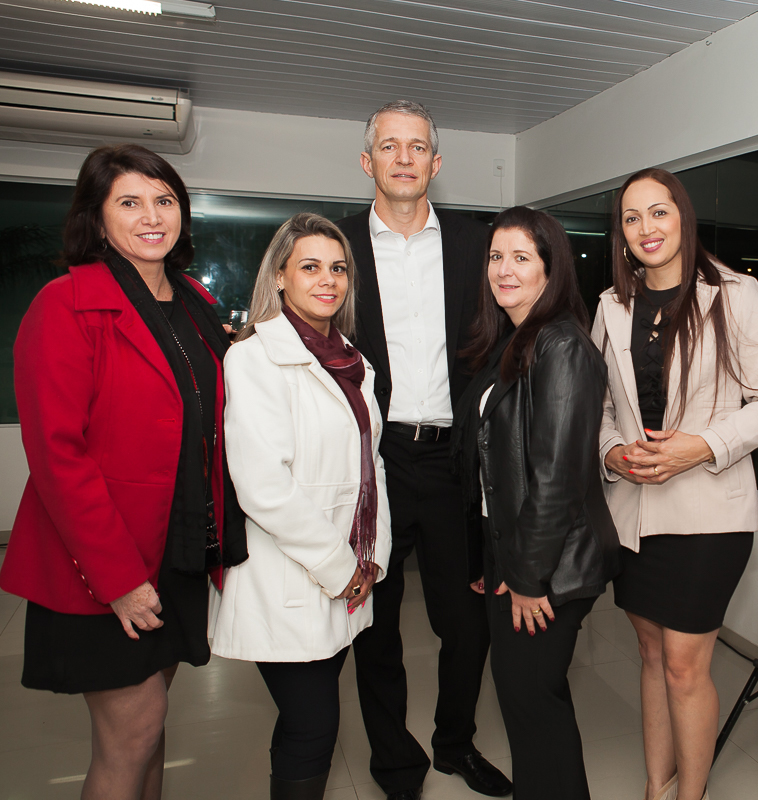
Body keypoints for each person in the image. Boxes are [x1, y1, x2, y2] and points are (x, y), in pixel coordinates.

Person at [0, 144, 247, 800]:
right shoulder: (64, 305)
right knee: (131, 735)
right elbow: (57, 456)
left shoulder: (195, 302)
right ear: (96, 217)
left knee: (153, 727)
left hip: (178, 549)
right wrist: (117, 581)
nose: (151, 216)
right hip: (108, 560)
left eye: (164, 200)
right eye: (129, 202)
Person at [592, 168, 758, 800]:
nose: (646, 228)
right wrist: (610, 455)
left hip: (709, 516)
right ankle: (658, 786)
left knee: (685, 665)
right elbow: (598, 411)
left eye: (659, 212)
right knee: (651, 658)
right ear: (621, 234)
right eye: (632, 218)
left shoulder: (734, 294)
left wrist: (701, 446)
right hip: (633, 514)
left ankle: (690, 795)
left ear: (683, 216)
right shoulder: (611, 306)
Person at [336, 100, 511, 800]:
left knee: (468, 622)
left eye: (417, 147)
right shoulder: (336, 246)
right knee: (372, 625)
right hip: (370, 461)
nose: (403, 158)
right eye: (389, 146)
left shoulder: (478, 246)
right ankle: (395, 765)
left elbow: (507, 345)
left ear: (435, 163)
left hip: (454, 462)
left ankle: (454, 744)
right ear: (367, 161)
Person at [210, 212, 392, 799]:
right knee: (315, 724)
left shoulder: (351, 361)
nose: (328, 280)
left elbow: (373, 467)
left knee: (303, 724)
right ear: (280, 277)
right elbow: (263, 487)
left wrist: (373, 558)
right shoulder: (254, 358)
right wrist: (341, 569)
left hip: (345, 573)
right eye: (310, 267)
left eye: (338, 268)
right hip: (291, 574)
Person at [454, 206, 619, 800]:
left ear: (551, 269)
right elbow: (493, 472)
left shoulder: (562, 347)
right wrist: (490, 562)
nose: (504, 269)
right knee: (530, 708)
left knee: (533, 706)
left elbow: (557, 478)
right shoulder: (513, 342)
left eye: (522, 257)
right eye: (497, 257)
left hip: (550, 569)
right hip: (517, 559)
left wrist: (526, 578)